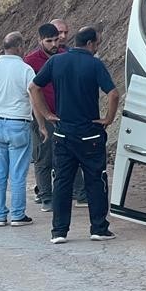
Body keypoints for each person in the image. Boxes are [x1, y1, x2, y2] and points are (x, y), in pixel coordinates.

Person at [29, 26, 119, 244]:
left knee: (61, 182)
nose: (97, 47)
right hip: (89, 134)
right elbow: (114, 93)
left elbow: (33, 88)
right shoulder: (94, 64)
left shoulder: (56, 61)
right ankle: (98, 228)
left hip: (63, 134)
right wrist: (108, 118)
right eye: (97, 43)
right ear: (90, 44)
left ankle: (59, 232)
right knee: (95, 181)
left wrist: (47, 114)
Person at [0, 31, 37, 227]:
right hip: (19, 123)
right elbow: (34, 97)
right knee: (18, 172)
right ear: (20, 47)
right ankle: (18, 215)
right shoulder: (26, 69)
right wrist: (42, 123)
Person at [50, 16, 87, 205]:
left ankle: (79, 192)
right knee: (48, 157)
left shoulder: (73, 55)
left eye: (65, 32)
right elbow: (33, 87)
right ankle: (49, 194)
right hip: (48, 115)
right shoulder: (36, 59)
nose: (63, 36)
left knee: (73, 156)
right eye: (59, 33)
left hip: (70, 116)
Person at [24, 23, 60, 212]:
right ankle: (46, 196)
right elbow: (30, 90)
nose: (54, 44)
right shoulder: (30, 61)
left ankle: (73, 193)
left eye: (56, 40)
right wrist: (41, 119)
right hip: (42, 114)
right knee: (44, 156)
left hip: (63, 113)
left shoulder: (64, 55)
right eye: (49, 41)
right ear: (40, 41)